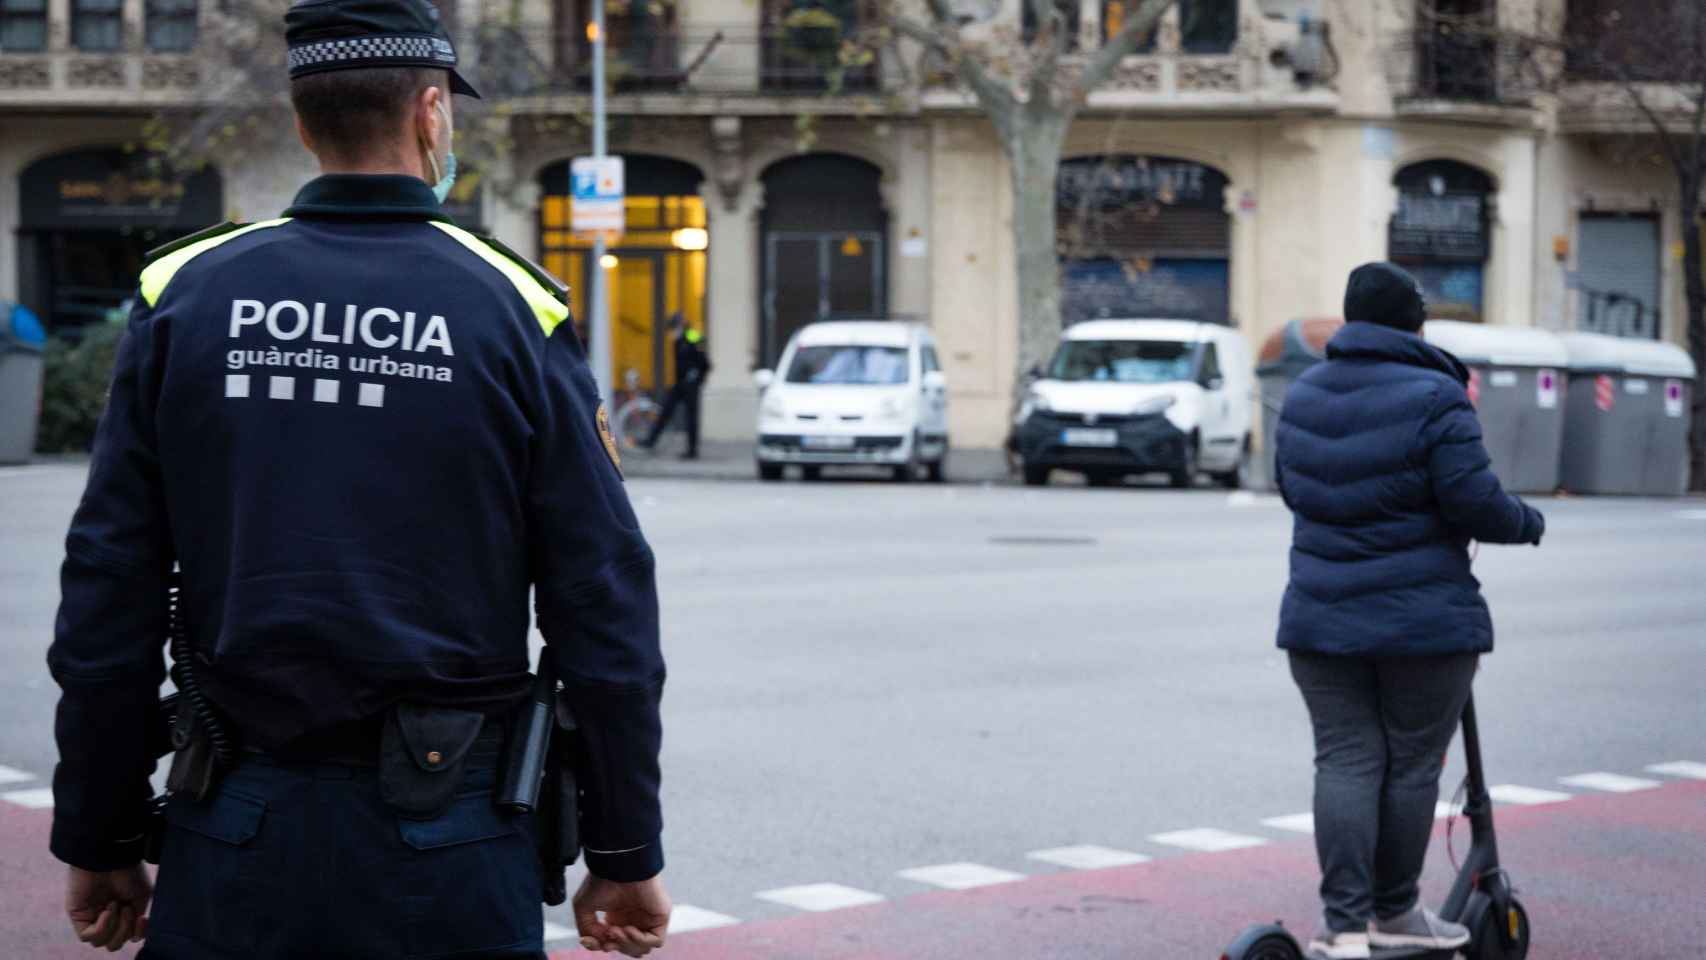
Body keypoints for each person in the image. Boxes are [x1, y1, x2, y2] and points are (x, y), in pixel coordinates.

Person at [45, 1, 670, 955]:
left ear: (303, 124)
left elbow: (107, 589)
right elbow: (602, 598)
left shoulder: (188, 295)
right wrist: (626, 848)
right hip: (453, 834)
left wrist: (98, 831)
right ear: (431, 113)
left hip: (231, 823)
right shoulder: (511, 308)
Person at [1272, 262, 1545, 960]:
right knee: (1412, 764)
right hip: (1421, 624)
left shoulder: (1303, 393)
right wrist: (1526, 520)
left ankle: (1343, 929)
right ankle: (1395, 914)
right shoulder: (1436, 395)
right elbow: (1474, 502)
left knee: (1344, 761)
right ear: (1415, 324)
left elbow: (1293, 490)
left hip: (1320, 618)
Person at [642, 313, 710, 459]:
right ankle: (650, 441)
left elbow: (705, 363)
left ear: (680, 325)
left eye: (673, 328)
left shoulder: (692, 336)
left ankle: (692, 450)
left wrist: (697, 379)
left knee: (691, 418)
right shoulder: (678, 340)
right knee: (666, 411)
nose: (671, 332)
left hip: (691, 385)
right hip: (680, 384)